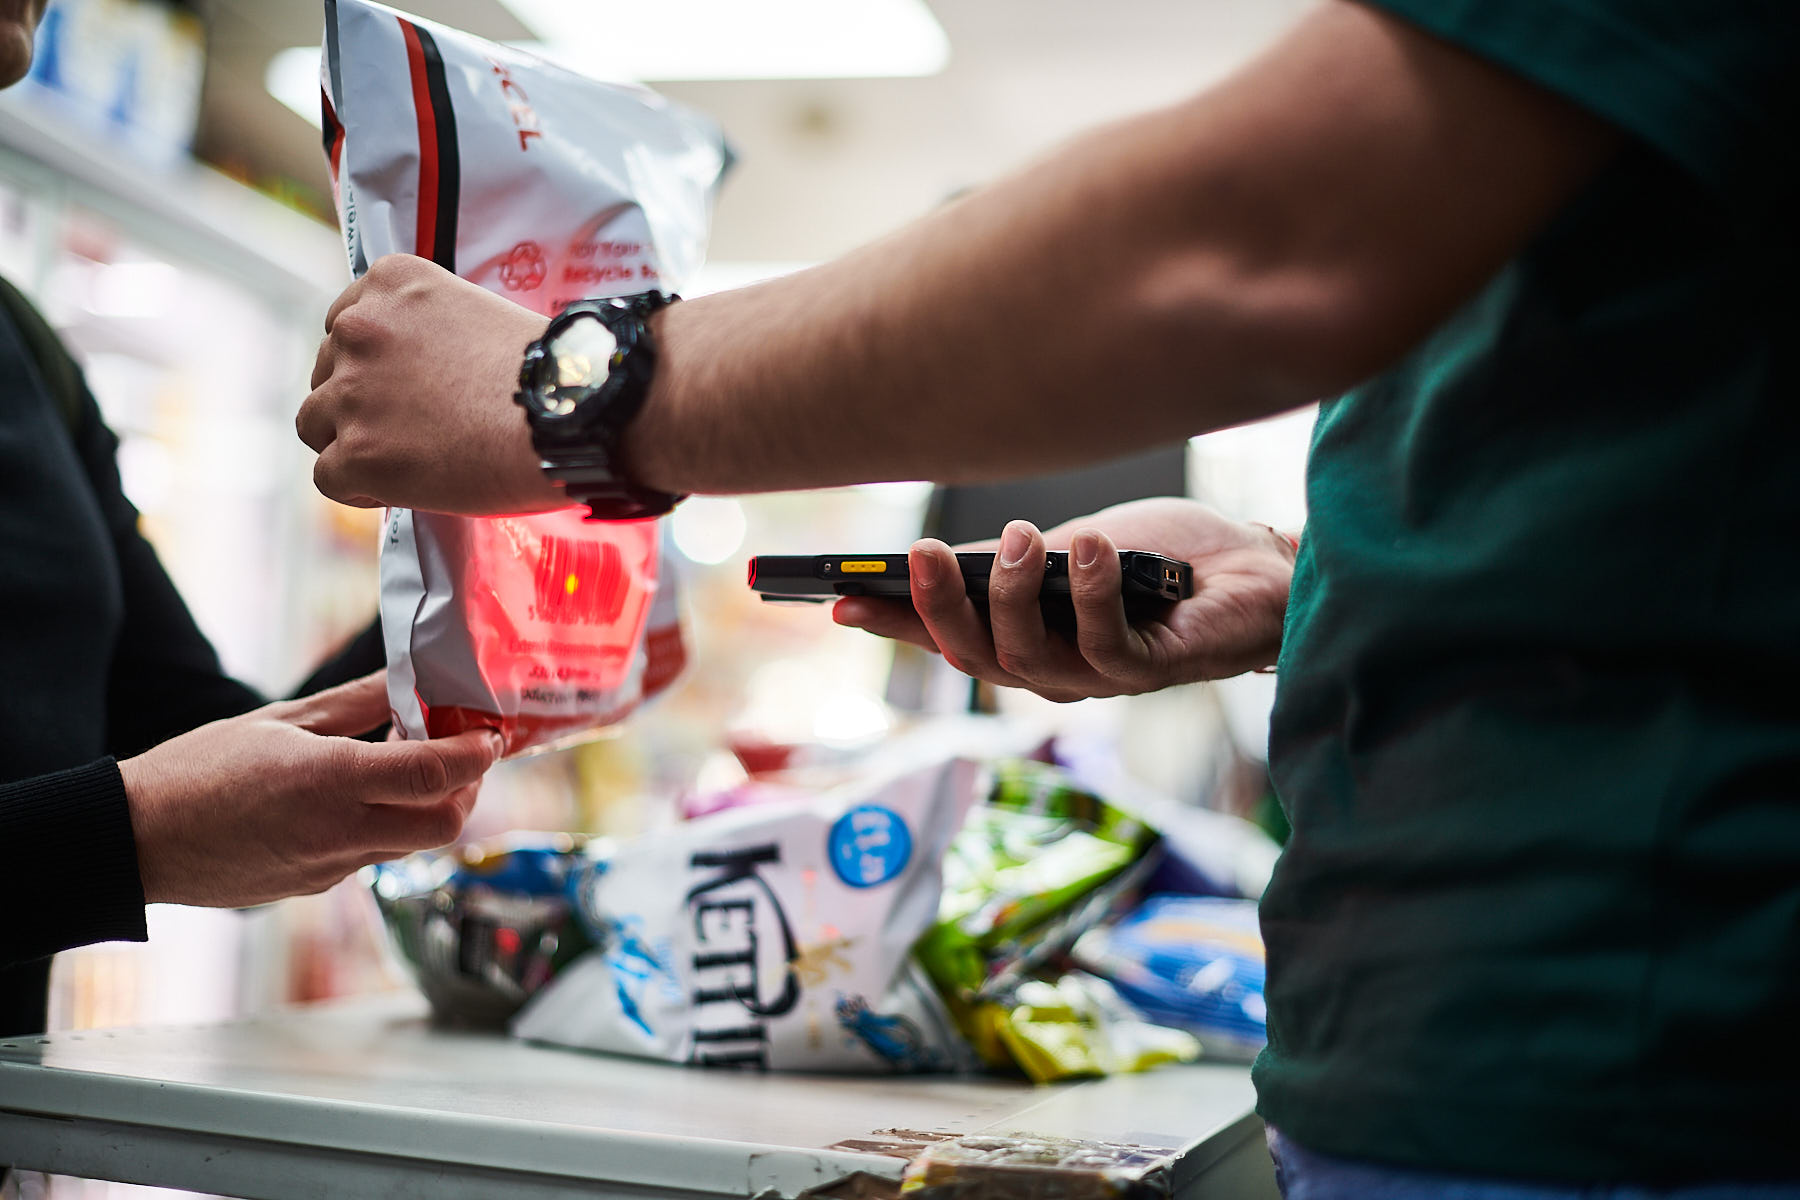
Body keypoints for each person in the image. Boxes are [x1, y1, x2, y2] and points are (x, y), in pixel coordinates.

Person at [300, 0, 1797, 1192]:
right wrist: (1301, 584)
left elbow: (1261, 240)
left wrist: (579, 389)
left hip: (1621, 1084)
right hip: (1496, 1066)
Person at [0, 2, 504, 1040]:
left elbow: (196, 733)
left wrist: (485, 550)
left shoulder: (26, 355)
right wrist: (131, 836)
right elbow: (157, 808)